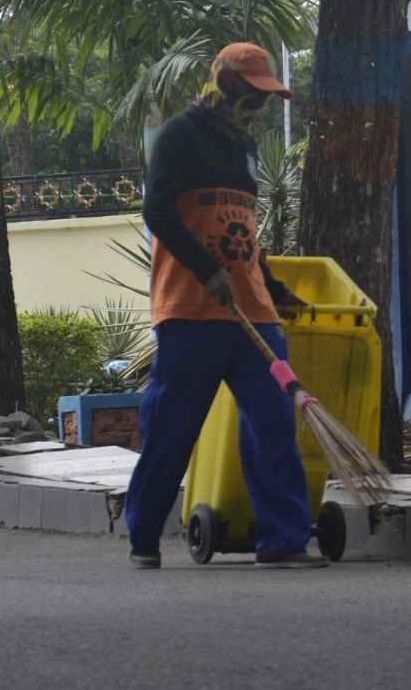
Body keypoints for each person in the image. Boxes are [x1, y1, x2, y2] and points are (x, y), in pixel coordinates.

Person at [124, 41, 326, 570]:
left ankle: (282, 539)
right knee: (172, 427)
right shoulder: (179, 136)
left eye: (264, 99)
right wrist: (203, 268)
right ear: (224, 84)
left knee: (273, 422)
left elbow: (244, 235)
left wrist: (274, 288)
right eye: (253, 95)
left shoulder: (246, 151)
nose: (257, 108)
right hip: (192, 309)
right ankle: (143, 535)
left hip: (251, 313)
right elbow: (159, 210)